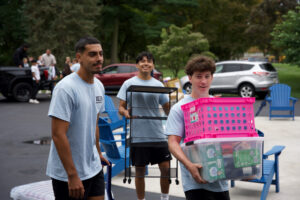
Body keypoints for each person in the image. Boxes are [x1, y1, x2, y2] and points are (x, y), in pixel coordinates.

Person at [46, 36, 109, 200]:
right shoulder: (66, 88)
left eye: (101, 54)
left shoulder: (99, 86)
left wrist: (97, 152)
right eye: (93, 54)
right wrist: (72, 175)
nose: (99, 58)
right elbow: (58, 134)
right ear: (79, 57)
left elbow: (94, 123)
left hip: (93, 167)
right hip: (68, 173)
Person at [165, 56, 230, 200]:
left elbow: (228, 139)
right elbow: (173, 142)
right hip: (195, 182)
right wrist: (189, 165)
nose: (203, 81)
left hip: (220, 179)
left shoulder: (219, 107)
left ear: (212, 77)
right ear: (189, 77)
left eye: (207, 76)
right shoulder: (179, 108)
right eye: (198, 76)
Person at [117, 51, 171, 200]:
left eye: (149, 61)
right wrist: (125, 113)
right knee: (140, 171)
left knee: (166, 168)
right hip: (138, 135)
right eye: (142, 61)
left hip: (158, 134)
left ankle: (164, 198)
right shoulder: (128, 84)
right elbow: (121, 107)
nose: (145, 63)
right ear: (137, 65)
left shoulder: (158, 84)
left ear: (153, 65)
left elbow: (167, 108)